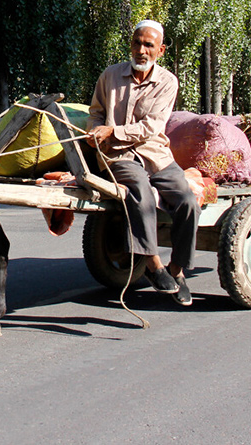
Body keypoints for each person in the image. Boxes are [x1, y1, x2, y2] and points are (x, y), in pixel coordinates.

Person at [86, 19, 200, 306]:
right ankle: (153, 265)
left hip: (155, 154)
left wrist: (114, 131)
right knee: (140, 191)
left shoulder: (167, 82)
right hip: (116, 155)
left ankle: (177, 270)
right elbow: (96, 113)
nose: (141, 50)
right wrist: (94, 132)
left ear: (160, 51)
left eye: (148, 45)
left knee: (187, 200)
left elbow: (151, 127)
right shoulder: (110, 76)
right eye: (136, 43)